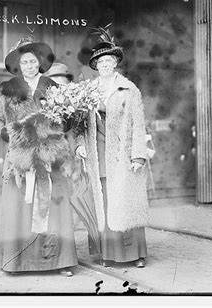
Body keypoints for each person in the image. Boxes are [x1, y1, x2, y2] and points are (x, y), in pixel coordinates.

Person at [0, 37, 78, 276]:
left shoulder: (52, 87)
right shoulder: (7, 89)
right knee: (19, 207)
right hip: (19, 156)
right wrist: (3, 130)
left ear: (40, 63)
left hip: (50, 157)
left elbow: (67, 120)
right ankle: (18, 261)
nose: (29, 66)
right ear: (18, 66)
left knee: (53, 205)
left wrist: (63, 119)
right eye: (24, 62)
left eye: (33, 61)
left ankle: (58, 261)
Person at [75, 26, 151, 268]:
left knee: (127, 201)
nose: (105, 65)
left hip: (123, 153)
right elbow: (77, 124)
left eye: (109, 60)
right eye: (101, 61)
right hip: (98, 155)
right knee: (106, 203)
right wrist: (79, 146)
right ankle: (109, 254)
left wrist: (138, 156)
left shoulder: (129, 89)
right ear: (95, 66)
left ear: (116, 63)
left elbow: (139, 124)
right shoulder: (87, 91)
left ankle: (135, 254)